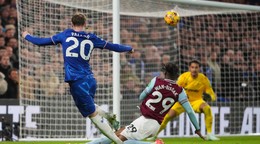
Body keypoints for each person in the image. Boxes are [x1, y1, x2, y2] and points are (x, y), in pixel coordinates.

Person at [22, 13, 134, 144]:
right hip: (90, 80)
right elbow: (112, 46)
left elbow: (40, 42)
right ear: (85, 24)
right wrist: (128, 48)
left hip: (76, 81)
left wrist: (27, 36)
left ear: (71, 23)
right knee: (91, 107)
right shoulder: (91, 37)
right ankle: (110, 117)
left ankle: (118, 142)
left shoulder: (65, 35)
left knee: (92, 115)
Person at [88, 63, 205, 144]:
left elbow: (141, 96)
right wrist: (197, 129)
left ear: (165, 72)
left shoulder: (156, 81)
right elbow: (189, 111)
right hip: (154, 123)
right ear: (177, 75)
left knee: (120, 140)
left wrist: (149, 94)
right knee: (116, 133)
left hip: (147, 121)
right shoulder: (180, 91)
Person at [155, 60, 219, 141]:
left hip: (196, 101)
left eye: (196, 67)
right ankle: (154, 135)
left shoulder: (204, 79)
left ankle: (209, 134)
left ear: (199, 69)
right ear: (189, 68)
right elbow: (175, 88)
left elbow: (212, 94)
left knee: (207, 108)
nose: (194, 69)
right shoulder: (183, 77)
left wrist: (210, 97)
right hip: (182, 102)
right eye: (192, 67)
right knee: (167, 117)